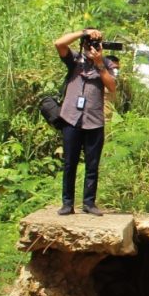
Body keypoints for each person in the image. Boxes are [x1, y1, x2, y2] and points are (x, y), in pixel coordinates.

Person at [53, 27, 118, 216]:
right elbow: (59, 43)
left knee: (92, 165)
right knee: (69, 163)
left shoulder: (107, 64)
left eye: (96, 44)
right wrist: (84, 32)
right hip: (71, 118)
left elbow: (112, 86)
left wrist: (99, 63)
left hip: (94, 121)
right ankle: (67, 203)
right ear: (82, 45)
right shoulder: (74, 60)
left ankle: (89, 203)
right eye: (89, 44)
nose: (92, 48)